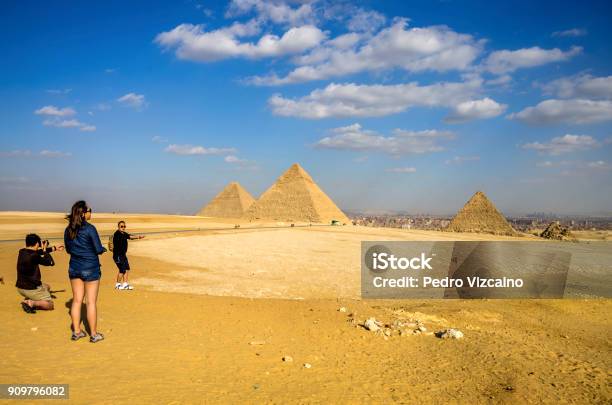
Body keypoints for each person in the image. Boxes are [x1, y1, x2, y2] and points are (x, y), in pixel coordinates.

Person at [64, 200, 106, 343]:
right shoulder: (90, 229)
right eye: (89, 210)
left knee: (76, 300)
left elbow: (68, 249)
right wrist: (103, 249)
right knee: (91, 302)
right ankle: (93, 334)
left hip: (74, 267)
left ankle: (76, 332)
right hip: (90, 268)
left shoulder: (68, 229)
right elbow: (98, 249)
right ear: (83, 213)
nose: (90, 213)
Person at [15, 233, 64, 313]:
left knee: (47, 287)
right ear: (37, 243)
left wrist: (54, 248)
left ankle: (29, 298)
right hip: (30, 288)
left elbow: (37, 252)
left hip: (20, 288)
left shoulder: (22, 251)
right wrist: (44, 249)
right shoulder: (34, 256)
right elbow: (50, 262)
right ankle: (31, 303)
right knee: (50, 304)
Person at [112, 220, 144, 290]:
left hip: (123, 255)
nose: (123, 228)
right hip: (118, 256)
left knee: (127, 268)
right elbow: (127, 237)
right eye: (121, 226)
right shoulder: (117, 234)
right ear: (118, 227)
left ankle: (125, 284)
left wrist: (138, 237)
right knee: (122, 270)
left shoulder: (123, 233)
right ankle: (117, 284)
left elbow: (130, 236)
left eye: (124, 226)